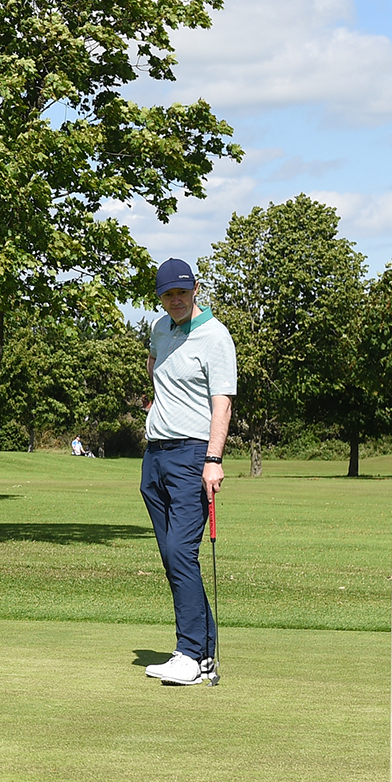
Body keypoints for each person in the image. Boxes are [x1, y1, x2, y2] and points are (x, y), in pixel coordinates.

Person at [138, 259, 236, 686]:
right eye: (167, 295)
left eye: (182, 292)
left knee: (181, 553)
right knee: (172, 556)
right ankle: (202, 651)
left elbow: (223, 403)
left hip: (192, 456)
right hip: (155, 455)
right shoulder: (160, 329)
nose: (175, 301)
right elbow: (153, 365)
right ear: (160, 297)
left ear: (195, 289)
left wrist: (213, 459)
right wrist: (157, 403)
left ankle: (190, 654)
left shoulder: (215, 336)